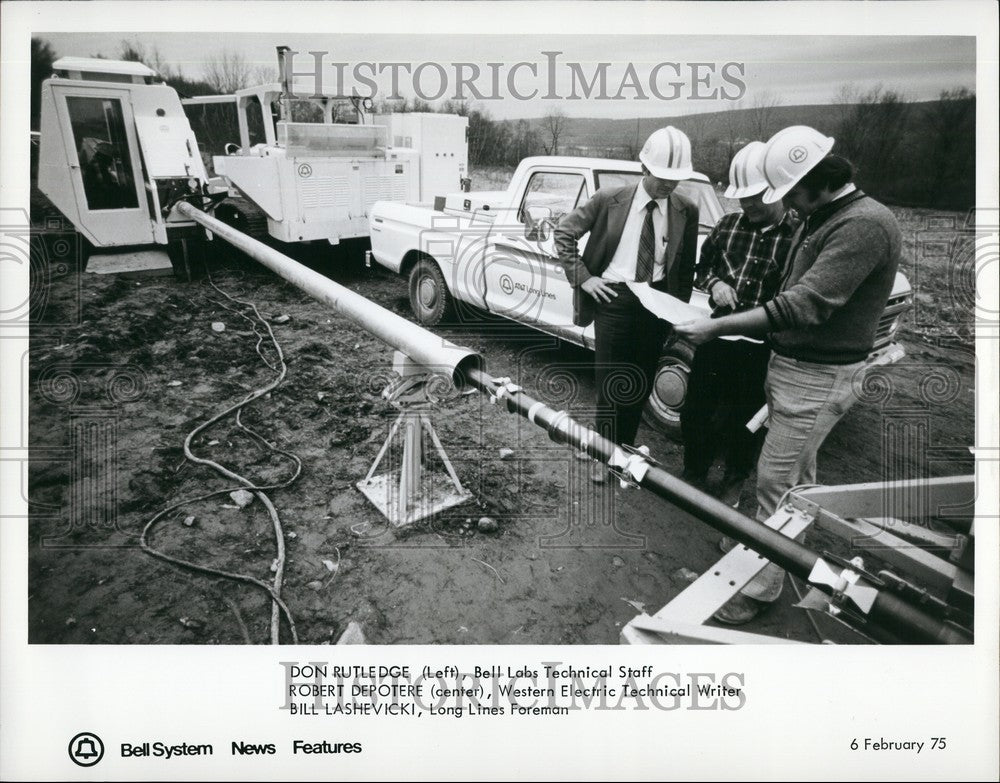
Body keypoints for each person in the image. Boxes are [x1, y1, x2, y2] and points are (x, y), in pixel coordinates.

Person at [674, 125, 902, 624]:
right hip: (799, 369)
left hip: (817, 377)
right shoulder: (828, 215)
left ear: (818, 179)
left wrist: (717, 328)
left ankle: (756, 588)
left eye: (790, 193)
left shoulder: (862, 225)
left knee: (774, 481)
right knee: (799, 481)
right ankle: (779, 551)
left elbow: (804, 304)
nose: (789, 205)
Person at [554, 127, 699, 481]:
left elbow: (684, 266)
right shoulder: (609, 199)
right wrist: (585, 278)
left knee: (640, 381)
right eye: (662, 177)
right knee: (611, 383)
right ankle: (605, 457)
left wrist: (675, 313)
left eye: (675, 179)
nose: (668, 185)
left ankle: (625, 453)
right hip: (614, 300)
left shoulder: (686, 209)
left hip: (657, 302)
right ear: (644, 167)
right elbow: (563, 233)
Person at [680, 141, 798, 510]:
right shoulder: (728, 226)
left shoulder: (798, 237)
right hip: (717, 335)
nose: (747, 206)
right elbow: (703, 269)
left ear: (776, 191)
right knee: (698, 407)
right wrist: (714, 283)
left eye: (755, 198)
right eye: (742, 199)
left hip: (762, 347)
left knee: (745, 420)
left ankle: (734, 480)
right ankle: (695, 471)